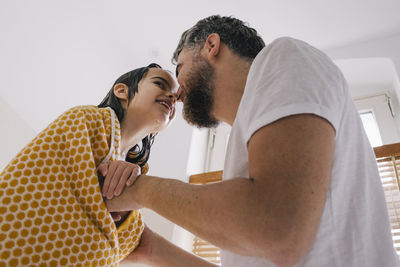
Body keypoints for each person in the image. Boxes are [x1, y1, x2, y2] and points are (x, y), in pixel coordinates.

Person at [106, 15, 400, 266]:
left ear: (211, 45)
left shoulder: (283, 56)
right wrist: (152, 249)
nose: (177, 93)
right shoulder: (244, 144)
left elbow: (277, 228)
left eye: (179, 68)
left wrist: (141, 190)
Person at [0, 63, 178, 266]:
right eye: (160, 83)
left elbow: (129, 238)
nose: (172, 96)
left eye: (176, 96)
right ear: (122, 91)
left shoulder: (135, 183)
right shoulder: (84, 120)